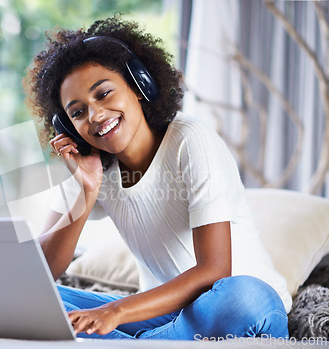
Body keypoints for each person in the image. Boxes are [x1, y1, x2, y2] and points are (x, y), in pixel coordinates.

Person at [24, 15, 291, 340]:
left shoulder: (190, 140)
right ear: (68, 127)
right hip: (160, 314)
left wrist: (116, 311)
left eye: (104, 94)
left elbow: (214, 272)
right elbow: (39, 273)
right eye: (77, 112)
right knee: (33, 299)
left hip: (235, 307)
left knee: (246, 295)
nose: (94, 115)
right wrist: (87, 189)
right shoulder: (91, 169)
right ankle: (153, 341)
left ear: (139, 86)